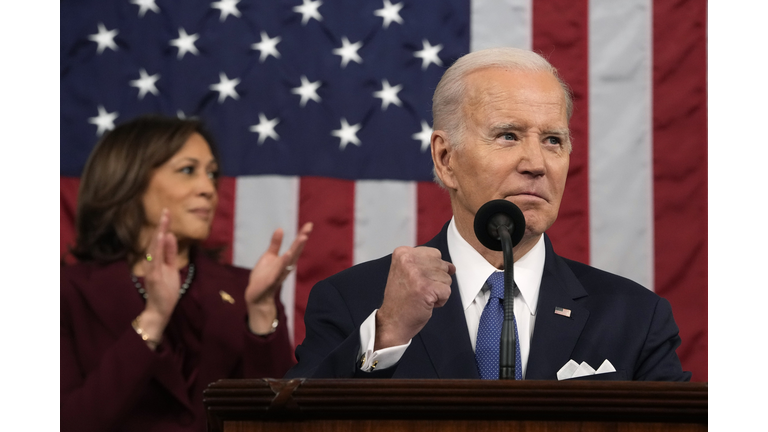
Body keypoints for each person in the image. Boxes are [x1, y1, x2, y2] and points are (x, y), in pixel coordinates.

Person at [285, 47, 691, 381]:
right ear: (446, 159)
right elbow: (297, 426)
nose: (536, 163)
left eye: (553, 140)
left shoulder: (635, 317)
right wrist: (388, 334)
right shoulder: (354, 301)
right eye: (508, 136)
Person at [61, 115, 314, 432]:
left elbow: (280, 423)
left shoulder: (244, 289)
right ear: (129, 179)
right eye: (187, 170)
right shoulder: (68, 291)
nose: (208, 188)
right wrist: (153, 319)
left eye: (212, 174)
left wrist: (262, 311)